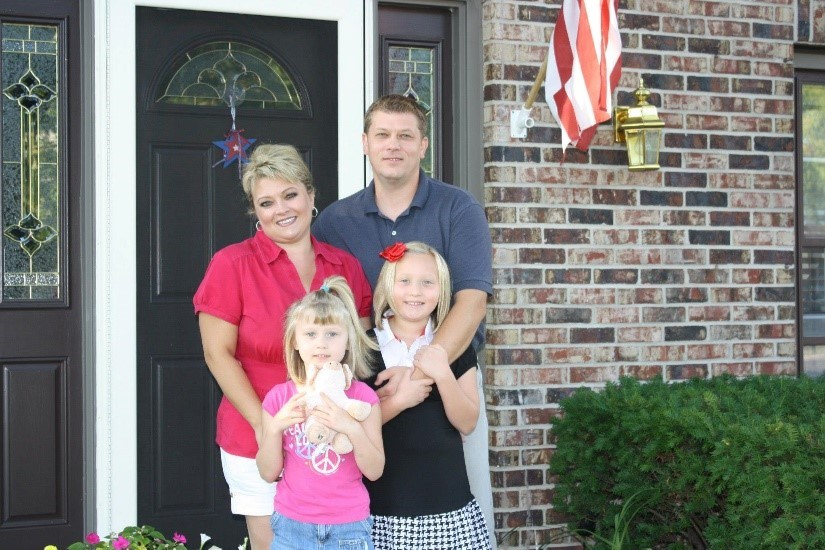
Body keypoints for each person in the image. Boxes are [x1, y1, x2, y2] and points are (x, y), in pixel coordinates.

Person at [312, 94, 496, 546]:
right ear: (365, 143)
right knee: (375, 508)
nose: (393, 145)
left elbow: (472, 300)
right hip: (368, 388)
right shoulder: (335, 221)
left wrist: (420, 372)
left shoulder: (458, 209)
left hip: (447, 377)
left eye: (405, 136)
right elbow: (327, 311)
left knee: (459, 505)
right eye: (383, 135)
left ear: (423, 145)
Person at [194, 144, 372, 550]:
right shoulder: (232, 264)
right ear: (255, 212)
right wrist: (265, 426)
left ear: (311, 196)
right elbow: (216, 354)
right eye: (266, 202)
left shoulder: (343, 266)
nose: (281, 209)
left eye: (290, 195)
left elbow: (360, 351)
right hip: (256, 435)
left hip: (330, 440)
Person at [365, 241, 491, 549]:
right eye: (404, 281)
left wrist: (442, 372)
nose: (415, 292)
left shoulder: (456, 345)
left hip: (447, 506)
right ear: (388, 284)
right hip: (381, 507)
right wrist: (400, 399)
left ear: (442, 288)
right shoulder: (364, 346)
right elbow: (354, 424)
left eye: (427, 282)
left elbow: (467, 422)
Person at [256, 276, 384, 549]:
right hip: (292, 526)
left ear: (349, 340)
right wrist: (276, 427)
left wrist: (350, 427)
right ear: (295, 342)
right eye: (311, 334)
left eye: (332, 334)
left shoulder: (363, 398)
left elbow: (374, 470)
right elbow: (267, 472)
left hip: (349, 526)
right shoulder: (278, 399)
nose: (322, 344)